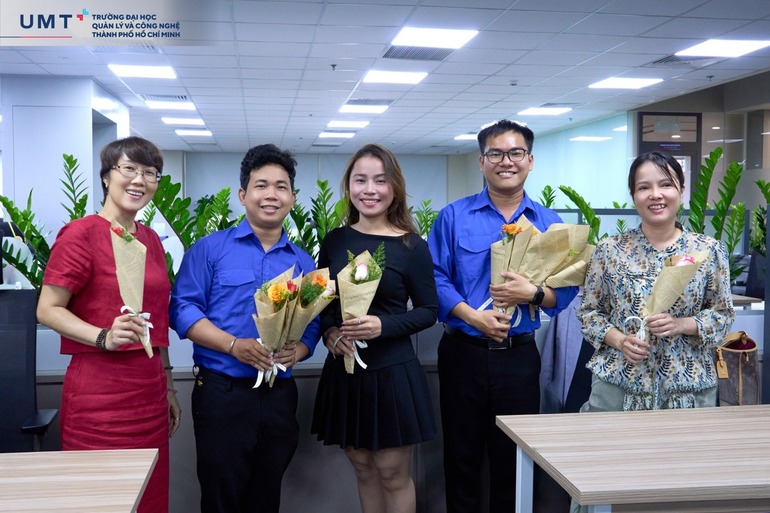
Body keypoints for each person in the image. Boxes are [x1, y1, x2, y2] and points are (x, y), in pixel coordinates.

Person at [427, 119, 578, 513]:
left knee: (514, 461)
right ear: (481, 161)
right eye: (495, 153)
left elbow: (566, 291)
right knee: (461, 458)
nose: (505, 161)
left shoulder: (550, 224)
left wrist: (535, 293)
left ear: (530, 160)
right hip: (463, 354)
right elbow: (435, 277)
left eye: (515, 153)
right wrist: (472, 318)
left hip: (519, 359)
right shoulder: (453, 216)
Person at [169, 143, 321, 513]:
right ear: (242, 195)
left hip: (278, 395)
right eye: (261, 185)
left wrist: (299, 351)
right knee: (221, 498)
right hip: (222, 393)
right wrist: (233, 345)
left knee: (267, 497)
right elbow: (182, 310)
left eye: (281, 187)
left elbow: (313, 322)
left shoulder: (303, 262)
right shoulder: (209, 249)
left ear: (293, 198)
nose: (271, 195)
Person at [37, 136, 180, 513]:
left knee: (149, 497)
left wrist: (168, 384)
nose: (139, 180)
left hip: (148, 392)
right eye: (129, 168)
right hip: (99, 395)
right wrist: (103, 336)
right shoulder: (80, 234)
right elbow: (48, 309)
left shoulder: (151, 239)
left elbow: (155, 319)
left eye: (150, 173)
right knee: (99, 498)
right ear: (106, 176)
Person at [311, 143, 438, 513]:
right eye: (360, 180)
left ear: (394, 187)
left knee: (392, 472)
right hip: (346, 372)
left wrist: (384, 325)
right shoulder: (335, 240)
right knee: (363, 468)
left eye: (380, 181)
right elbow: (324, 302)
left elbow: (429, 311)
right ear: (349, 186)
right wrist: (330, 334)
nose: (370, 190)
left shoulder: (412, 245)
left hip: (392, 372)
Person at [577, 151, 735, 412]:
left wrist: (681, 324)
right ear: (634, 195)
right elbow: (589, 313)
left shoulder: (708, 250)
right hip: (618, 385)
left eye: (665, 185)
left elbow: (722, 314)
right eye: (643, 187)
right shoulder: (609, 250)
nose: (655, 194)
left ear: (681, 191)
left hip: (688, 389)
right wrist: (620, 341)